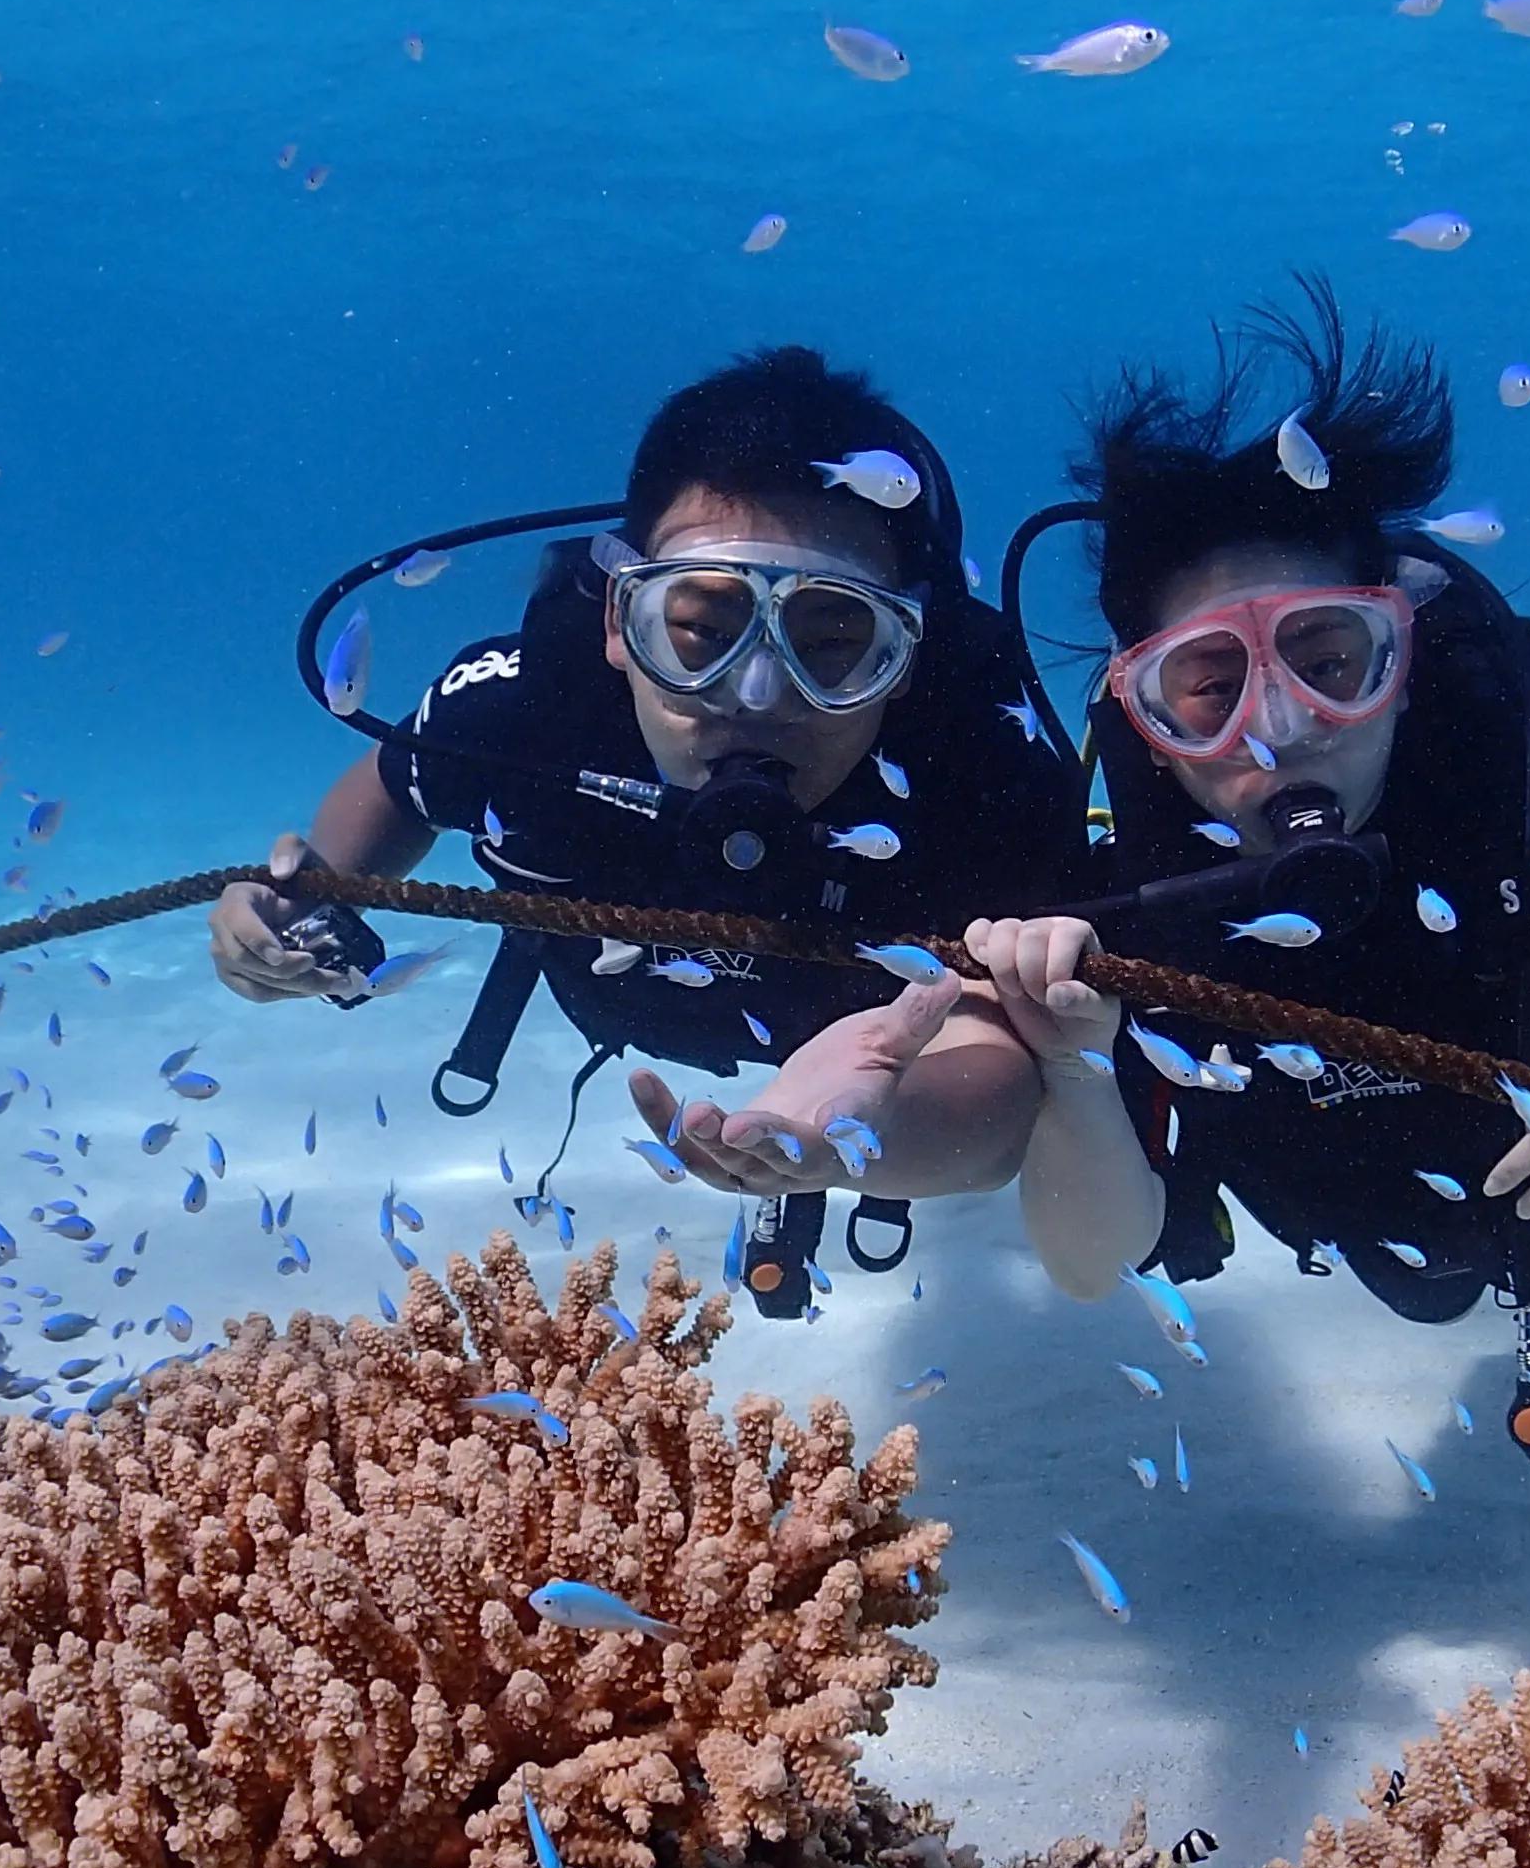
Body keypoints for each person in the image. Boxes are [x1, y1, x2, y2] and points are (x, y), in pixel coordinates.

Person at [955, 287, 1530, 1485]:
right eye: (1205, 687)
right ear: (1143, 721)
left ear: (1401, 662)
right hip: (1311, 1201)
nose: (1281, 728)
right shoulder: (1121, 905)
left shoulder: (1520, 832)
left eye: (1327, 662)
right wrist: (1067, 1064)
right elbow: (1083, 1264)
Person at [210, 346, 1083, 1305]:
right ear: (621, 624)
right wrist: (302, 909)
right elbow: (391, 788)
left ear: (908, 659)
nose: (756, 695)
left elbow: (1001, 1092)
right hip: (619, 996)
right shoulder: (529, 712)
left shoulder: (978, 774)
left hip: (869, 1062)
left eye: (835, 642)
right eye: (702, 630)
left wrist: (854, 1143)